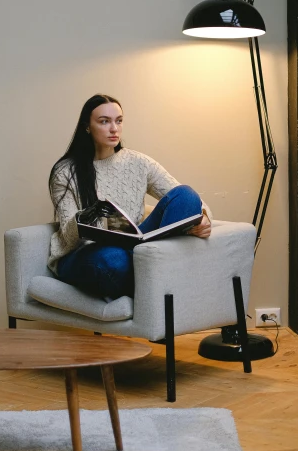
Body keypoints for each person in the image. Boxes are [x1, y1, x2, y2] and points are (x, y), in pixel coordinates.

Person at [48, 93, 212, 301]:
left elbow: (193, 201)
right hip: (84, 255)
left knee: (186, 194)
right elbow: (69, 236)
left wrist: (204, 217)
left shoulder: (139, 163)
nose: (114, 128)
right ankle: (158, 280)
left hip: (135, 248)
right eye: (104, 121)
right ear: (87, 127)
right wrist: (88, 216)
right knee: (112, 259)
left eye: (118, 121)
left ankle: (145, 278)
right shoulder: (65, 171)